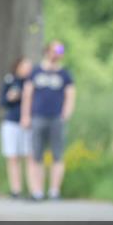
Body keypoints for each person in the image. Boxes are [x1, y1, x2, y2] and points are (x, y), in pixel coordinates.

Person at [20, 41, 76, 200]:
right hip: (38, 117)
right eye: (55, 50)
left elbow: (70, 94)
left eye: (60, 51)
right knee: (36, 155)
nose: (58, 54)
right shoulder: (36, 72)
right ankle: (37, 191)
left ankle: (54, 191)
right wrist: (25, 115)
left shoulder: (64, 74)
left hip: (56, 118)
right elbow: (27, 94)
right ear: (47, 51)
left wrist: (66, 113)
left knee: (57, 155)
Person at [0, 57, 33, 199]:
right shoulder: (10, 80)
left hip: (28, 124)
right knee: (13, 157)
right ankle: (16, 189)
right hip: (11, 122)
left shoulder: (32, 82)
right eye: (24, 66)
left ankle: (33, 189)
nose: (27, 69)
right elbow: (2, 101)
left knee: (29, 156)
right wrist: (11, 97)